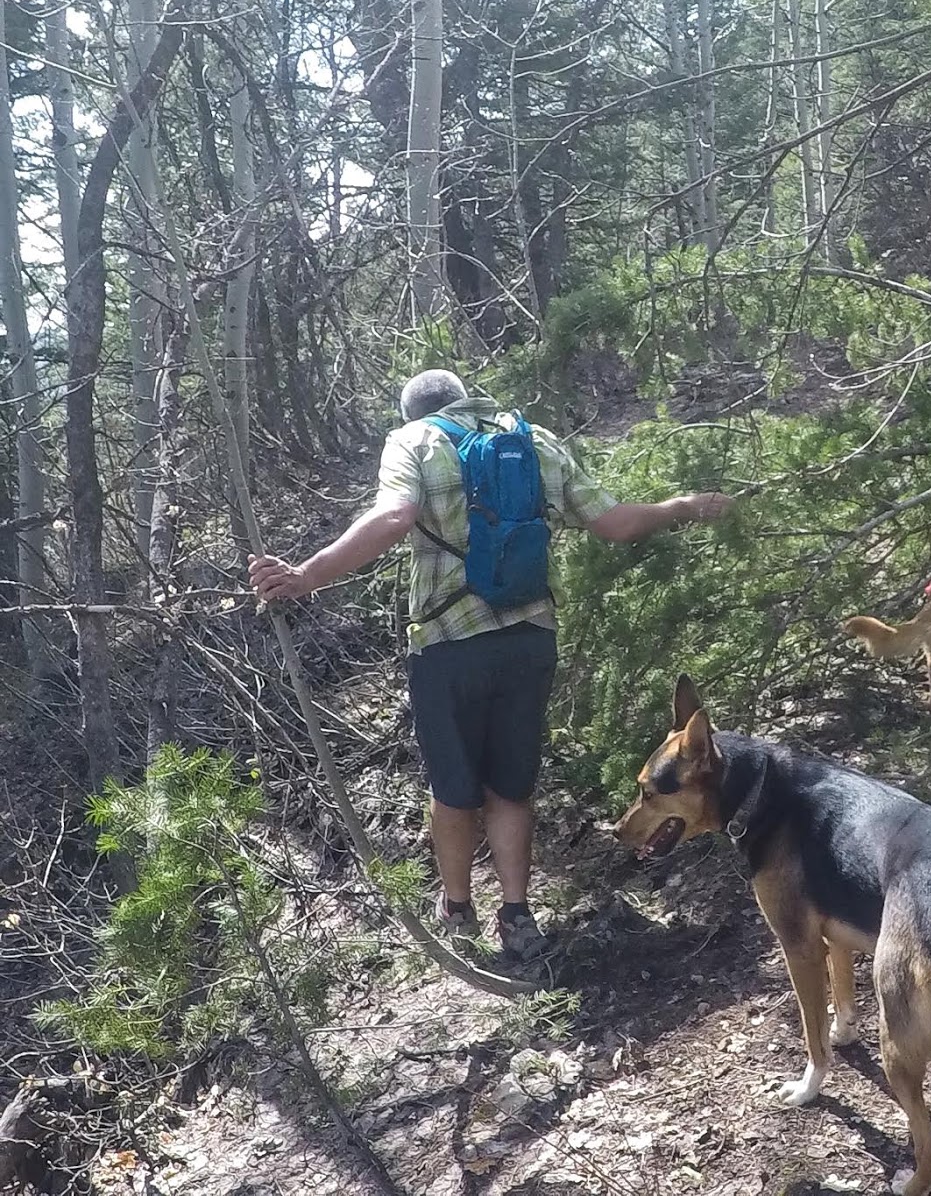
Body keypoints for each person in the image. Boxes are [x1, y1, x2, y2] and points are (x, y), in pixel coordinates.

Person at [248, 369, 733, 960]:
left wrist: (306, 576)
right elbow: (615, 522)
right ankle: (517, 915)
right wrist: (682, 506)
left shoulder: (416, 442)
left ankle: (456, 909)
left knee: (454, 792)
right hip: (529, 639)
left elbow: (395, 517)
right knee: (510, 788)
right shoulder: (534, 440)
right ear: (465, 397)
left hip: (448, 644)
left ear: (414, 413)